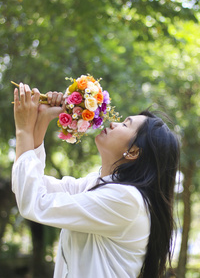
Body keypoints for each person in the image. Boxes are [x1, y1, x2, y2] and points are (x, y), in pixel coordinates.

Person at [12, 83, 180, 278]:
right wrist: (42, 119)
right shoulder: (97, 185)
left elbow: (34, 202)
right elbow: (30, 187)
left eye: (125, 124)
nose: (112, 124)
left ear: (133, 151)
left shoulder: (126, 200)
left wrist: (23, 131)